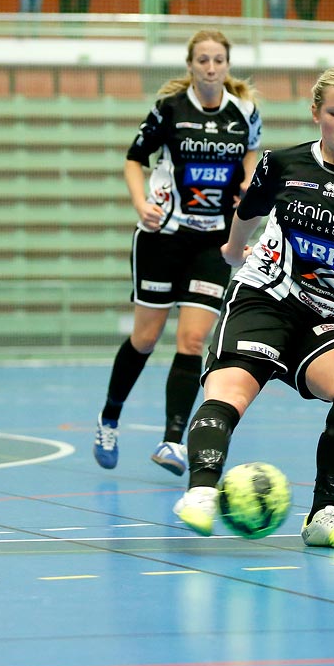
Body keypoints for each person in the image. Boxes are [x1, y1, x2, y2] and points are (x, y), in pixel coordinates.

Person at [172, 65, 334, 548]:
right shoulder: (282, 163)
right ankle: (200, 492)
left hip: (321, 316)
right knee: (231, 391)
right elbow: (247, 213)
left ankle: (323, 515)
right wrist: (235, 252)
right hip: (264, 298)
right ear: (316, 113)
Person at [92, 29, 262, 476]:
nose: (210, 68)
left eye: (218, 60)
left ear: (227, 65)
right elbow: (134, 158)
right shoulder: (170, 109)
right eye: (202, 60)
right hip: (163, 236)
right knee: (145, 338)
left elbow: (252, 152)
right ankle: (109, 416)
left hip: (213, 241)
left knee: (191, 340)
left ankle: (172, 441)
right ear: (190, 65)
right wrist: (139, 203)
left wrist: (247, 183)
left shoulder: (243, 112)